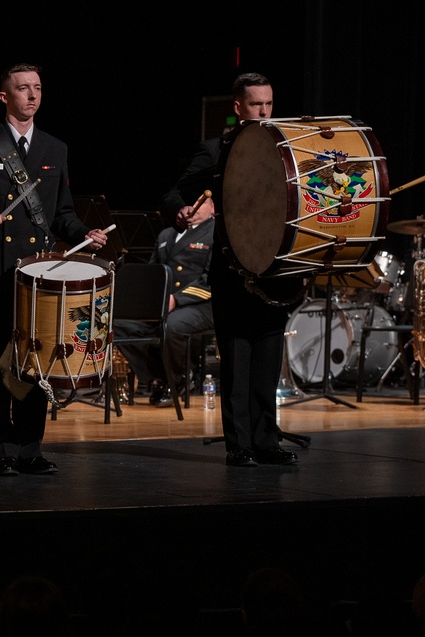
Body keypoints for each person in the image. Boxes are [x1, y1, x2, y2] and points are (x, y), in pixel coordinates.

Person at [0, 63, 108, 477]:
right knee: (2, 360)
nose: (32, 95)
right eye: (23, 89)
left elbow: (62, 214)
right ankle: (1, 448)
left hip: (39, 274)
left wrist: (84, 232)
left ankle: (30, 448)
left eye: (37, 87)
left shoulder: (56, 148)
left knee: (36, 361)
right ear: (5, 96)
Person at [166, 72, 301, 466]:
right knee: (238, 362)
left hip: (275, 271)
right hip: (233, 272)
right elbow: (175, 192)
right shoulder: (215, 151)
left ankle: (266, 442)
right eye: (256, 104)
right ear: (238, 107)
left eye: (269, 104)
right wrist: (181, 210)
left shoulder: (285, 149)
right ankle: (238, 445)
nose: (264, 111)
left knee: (267, 361)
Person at [113, 196, 215, 408]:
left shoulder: (215, 233)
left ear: (212, 208)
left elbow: (210, 280)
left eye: (200, 203)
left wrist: (177, 299)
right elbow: (153, 274)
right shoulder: (167, 234)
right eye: (188, 203)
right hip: (164, 304)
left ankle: (177, 380)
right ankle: (164, 375)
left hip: (200, 304)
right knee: (119, 325)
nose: (192, 207)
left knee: (173, 325)